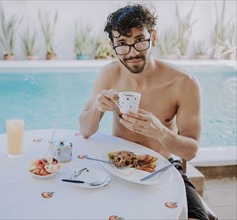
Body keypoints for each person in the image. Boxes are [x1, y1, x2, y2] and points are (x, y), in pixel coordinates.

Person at [79, 3, 209, 220]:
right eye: (122, 44)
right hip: (116, 166)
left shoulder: (183, 83)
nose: (132, 52)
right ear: (112, 45)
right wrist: (96, 107)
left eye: (140, 40)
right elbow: (84, 130)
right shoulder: (109, 74)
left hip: (164, 168)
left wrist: (161, 132)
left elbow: (191, 151)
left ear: (154, 37)